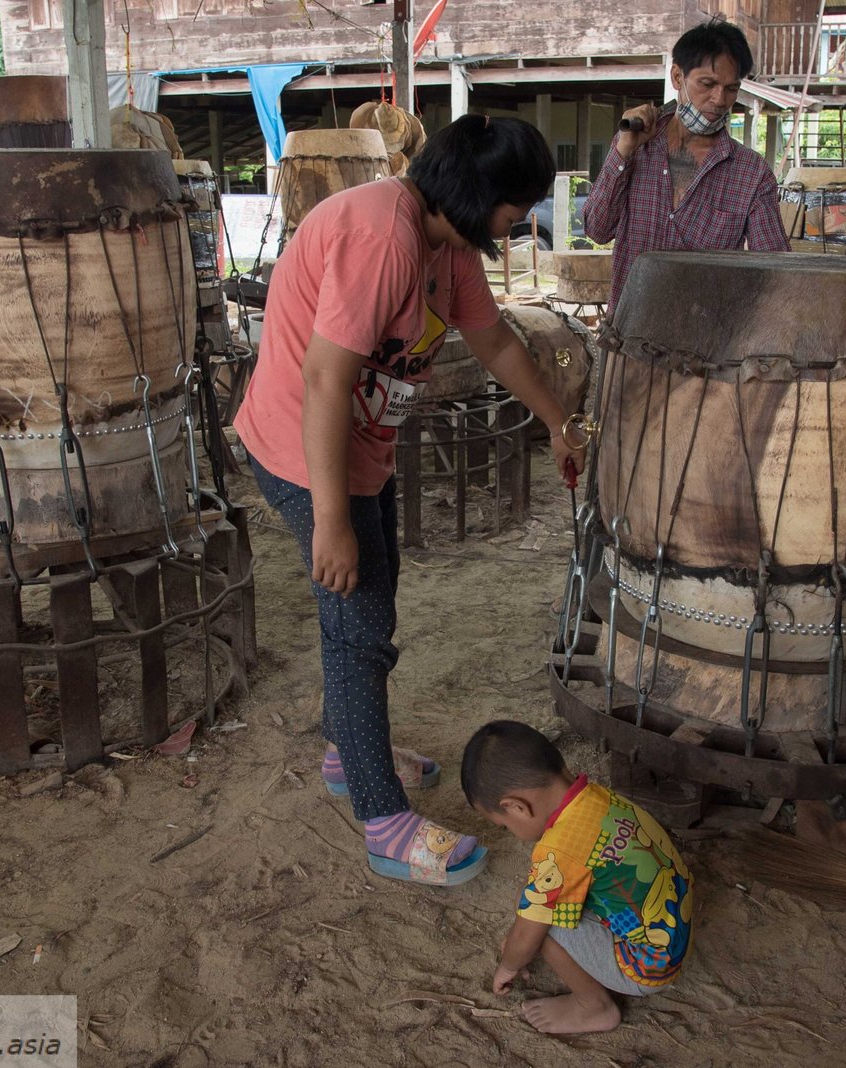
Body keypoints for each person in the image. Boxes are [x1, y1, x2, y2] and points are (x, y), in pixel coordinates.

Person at [233, 115, 587, 887]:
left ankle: (347, 749)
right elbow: (324, 379)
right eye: (518, 202)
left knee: (372, 605)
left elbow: (496, 343)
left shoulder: (446, 244)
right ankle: (383, 821)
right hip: (304, 448)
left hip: (357, 445)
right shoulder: (382, 235)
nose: (521, 219)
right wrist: (331, 519)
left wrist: (559, 421)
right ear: (479, 191)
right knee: (357, 626)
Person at [461, 720, 694, 1034]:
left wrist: (510, 963)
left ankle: (593, 1006)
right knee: (539, 902)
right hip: (674, 930)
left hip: (647, 967)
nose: (510, 832)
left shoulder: (559, 850)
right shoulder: (599, 798)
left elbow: (528, 933)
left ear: (516, 807)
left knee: (536, 911)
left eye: (504, 826)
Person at [581, 18, 790, 312]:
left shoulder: (751, 174)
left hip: (708, 336)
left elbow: (776, 272)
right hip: (630, 332)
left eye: (731, 88)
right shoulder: (634, 147)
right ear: (678, 77)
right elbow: (597, 230)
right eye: (708, 84)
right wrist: (623, 151)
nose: (719, 100)